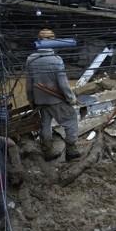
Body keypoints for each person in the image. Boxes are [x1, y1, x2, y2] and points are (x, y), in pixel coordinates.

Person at [25, 28, 80, 162]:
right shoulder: (56, 60)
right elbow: (63, 84)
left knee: (45, 124)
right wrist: (71, 98)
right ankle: (71, 151)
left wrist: (31, 100)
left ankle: (47, 151)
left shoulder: (30, 59)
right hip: (55, 100)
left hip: (40, 100)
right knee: (71, 120)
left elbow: (28, 84)